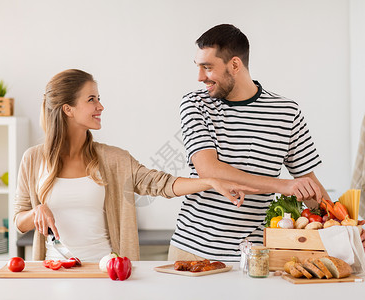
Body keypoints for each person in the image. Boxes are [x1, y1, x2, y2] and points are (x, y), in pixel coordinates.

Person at [169, 24, 365, 262]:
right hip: (193, 250)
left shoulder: (287, 112)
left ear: (234, 64)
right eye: (199, 67)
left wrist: (342, 228)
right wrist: (283, 185)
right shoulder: (195, 104)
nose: (200, 77)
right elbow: (209, 169)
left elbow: (310, 185)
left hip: (255, 256)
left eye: (208, 67)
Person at [13, 69, 257, 262]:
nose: (100, 106)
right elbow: (18, 219)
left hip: (106, 271)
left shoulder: (113, 159)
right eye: (91, 100)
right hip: (53, 272)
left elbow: (159, 184)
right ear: (68, 109)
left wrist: (209, 181)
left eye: (99, 98)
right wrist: (36, 212)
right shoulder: (33, 159)